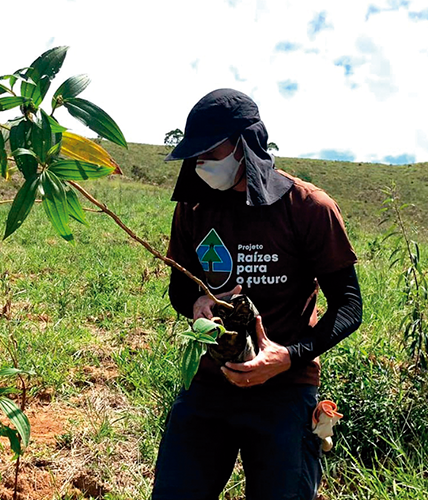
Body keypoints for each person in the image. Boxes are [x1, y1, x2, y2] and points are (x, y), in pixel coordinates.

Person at [151, 89, 363, 500]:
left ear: (245, 143)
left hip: (285, 389)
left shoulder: (308, 208)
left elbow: (349, 306)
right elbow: (180, 287)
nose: (201, 163)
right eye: (196, 154)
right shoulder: (195, 208)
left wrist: (287, 356)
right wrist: (195, 304)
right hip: (208, 385)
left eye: (211, 151)